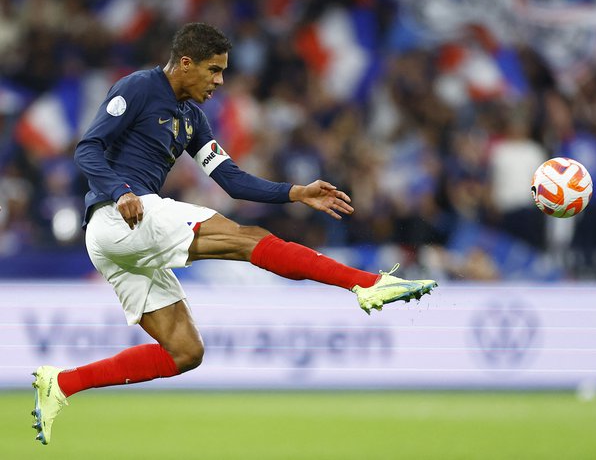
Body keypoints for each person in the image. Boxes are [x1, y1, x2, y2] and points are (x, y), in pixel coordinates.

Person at [30, 22, 437, 445]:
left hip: (124, 241)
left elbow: (232, 179)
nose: (220, 81)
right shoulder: (138, 88)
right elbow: (87, 148)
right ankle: (366, 284)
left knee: (185, 352)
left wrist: (296, 192)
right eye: (213, 70)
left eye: (223, 71)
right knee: (247, 239)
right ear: (185, 63)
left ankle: (62, 384)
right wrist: (121, 191)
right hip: (119, 218)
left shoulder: (192, 118)